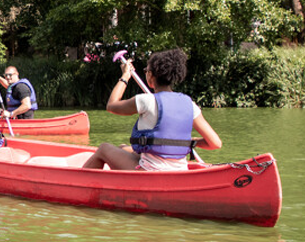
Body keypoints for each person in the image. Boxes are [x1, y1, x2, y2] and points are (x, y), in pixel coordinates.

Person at [81, 48, 222, 171]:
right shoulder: (189, 104)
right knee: (124, 147)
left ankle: (80, 182)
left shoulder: (145, 100)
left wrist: (125, 76)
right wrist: (185, 141)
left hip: (150, 171)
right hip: (179, 169)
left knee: (104, 149)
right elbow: (215, 143)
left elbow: (111, 106)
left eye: (146, 71)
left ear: (151, 76)